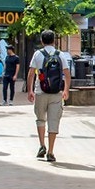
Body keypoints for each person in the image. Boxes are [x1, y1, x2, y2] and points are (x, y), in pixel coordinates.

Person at [26, 29, 71, 164]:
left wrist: (30, 91)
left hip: (41, 91)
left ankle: (42, 145)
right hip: (56, 93)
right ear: (53, 40)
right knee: (54, 121)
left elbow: (31, 74)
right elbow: (67, 74)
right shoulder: (60, 55)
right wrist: (66, 90)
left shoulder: (37, 54)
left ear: (42, 40)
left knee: (41, 119)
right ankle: (51, 151)